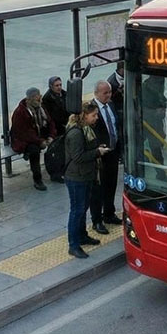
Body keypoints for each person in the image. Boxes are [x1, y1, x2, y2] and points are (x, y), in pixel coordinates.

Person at [64, 102, 108, 258]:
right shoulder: (76, 133)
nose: (96, 117)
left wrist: (97, 148)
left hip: (87, 175)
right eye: (94, 115)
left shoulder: (87, 129)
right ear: (84, 115)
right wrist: (97, 152)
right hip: (77, 177)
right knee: (77, 210)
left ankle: (82, 236)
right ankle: (73, 244)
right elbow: (78, 157)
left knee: (83, 208)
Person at [89, 80, 121, 232]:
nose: (108, 95)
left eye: (109, 92)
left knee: (111, 184)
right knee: (98, 189)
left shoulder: (111, 105)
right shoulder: (90, 110)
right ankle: (97, 220)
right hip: (99, 156)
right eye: (105, 93)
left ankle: (109, 213)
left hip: (113, 152)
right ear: (96, 93)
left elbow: (115, 125)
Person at [10, 87, 56, 191]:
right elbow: (24, 133)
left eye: (39, 98)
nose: (39, 101)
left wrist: (51, 136)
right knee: (34, 151)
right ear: (29, 99)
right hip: (23, 140)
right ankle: (37, 179)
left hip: (38, 136)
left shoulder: (41, 108)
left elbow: (50, 122)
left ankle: (55, 173)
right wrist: (40, 142)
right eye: (37, 99)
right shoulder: (20, 112)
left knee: (56, 143)